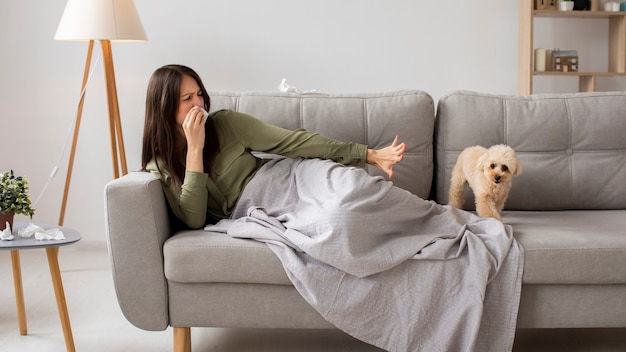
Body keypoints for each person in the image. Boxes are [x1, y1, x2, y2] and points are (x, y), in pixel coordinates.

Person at [141, 64, 407, 229]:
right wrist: (195, 150)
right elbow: (194, 219)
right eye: (187, 98)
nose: (198, 104)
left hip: (290, 178)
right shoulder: (160, 167)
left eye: (199, 94)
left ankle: (442, 222)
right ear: (164, 108)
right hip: (262, 207)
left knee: (358, 188)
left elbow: (292, 142)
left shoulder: (226, 124)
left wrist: (368, 155)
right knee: (342, 218)